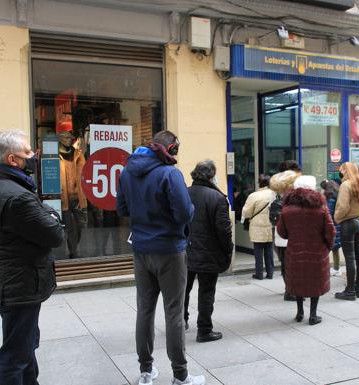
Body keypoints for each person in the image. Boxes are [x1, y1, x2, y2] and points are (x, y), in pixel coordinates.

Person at [116, 130, 205, 385]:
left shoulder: (126, 172)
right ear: (172, 149)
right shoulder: (170, 174)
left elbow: (121, 209)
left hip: (141, 250)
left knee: (144, 309)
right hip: (169, 251)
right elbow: (184, 214)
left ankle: (146, 371)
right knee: (174, 313)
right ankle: (181, 375)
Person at [0, 130, 65, 385]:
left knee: (24, 345)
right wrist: (52, 217)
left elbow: (42, 217)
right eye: (27, 152)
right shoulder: (17, 197)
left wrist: (46, 214)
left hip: (11, 281)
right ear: (12, 160)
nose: (33, 155)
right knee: (15, 354)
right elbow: (55, 234)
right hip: (20, 283)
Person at [183, 160, 233, 343]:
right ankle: (204, 330)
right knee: (206, 291)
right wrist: (228, 250)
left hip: (185, 250)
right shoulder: (217, 198)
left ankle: (181, 321)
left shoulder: (184, 193)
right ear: (211, 176)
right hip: (208, 252)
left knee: (183, 289)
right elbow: (224, 230)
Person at [277, 175, 335, 325]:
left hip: (295, 251)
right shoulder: (320, 207)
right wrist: (327, 246)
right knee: (315, 281)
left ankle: (299, 312)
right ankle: (313, 315)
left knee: (298, 280)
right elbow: (331, 230)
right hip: (317, 251)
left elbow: (282, 232)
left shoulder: (287, 208)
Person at [334, 162, 359, 301]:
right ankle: (358, 288)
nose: (340, 173)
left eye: (341, 170)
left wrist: (337, 218)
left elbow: (343, 206)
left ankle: (350, 290)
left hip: (349, 222)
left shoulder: (346, 185)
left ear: (346, 171)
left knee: (350, 258)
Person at [269, 165, 300, 301]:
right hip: (290, 234)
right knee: (290, 264)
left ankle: (290, 289)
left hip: (282, 235)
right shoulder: (295, 196)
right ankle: (290, 289)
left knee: (286, 263)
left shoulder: (274, 194)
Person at [58, 130, 88, 259]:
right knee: (69, 226)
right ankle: (72, 250)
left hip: (78, 195)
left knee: (81, 224)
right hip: (64, 196)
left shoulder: (78, 154)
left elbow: (86, 172)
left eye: (70, 138)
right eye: (66, 138)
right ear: (61, 139)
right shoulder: (55, 155)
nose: (69, 139)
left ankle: (73, 246)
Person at [242, 174, 275, 280]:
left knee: (258, 251)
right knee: (269, 249)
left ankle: (259, 274)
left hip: (257, 226)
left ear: (258, 183)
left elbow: (246, 213)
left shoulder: (253, 196)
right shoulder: (274, 195)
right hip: (270, 225)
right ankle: (270, 273)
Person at [320, 179, 342, 277]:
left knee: (330, 248)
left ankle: (335, 268)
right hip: (337, 225)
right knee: (335, 249)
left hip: (331, 225)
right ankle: (336, 268)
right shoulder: (337, 196)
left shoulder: (330, 199)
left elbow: (328, 213)